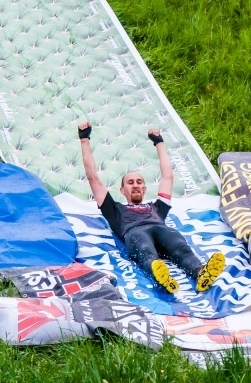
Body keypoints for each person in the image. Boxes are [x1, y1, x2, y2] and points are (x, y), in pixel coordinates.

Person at [77, 121, 224, 294]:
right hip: (134, 232)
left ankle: (201, 273)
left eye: (139, 182)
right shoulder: (114, 210)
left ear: (145, 189)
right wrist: (84, 139)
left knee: (180, 246)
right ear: (123, 190)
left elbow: (168, 176)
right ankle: (161, 277)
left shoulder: (157, 207)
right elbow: (93, 177)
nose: (136, 185)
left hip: (160, 228)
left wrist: (159, 142)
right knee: (145, 251)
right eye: (130, 183)